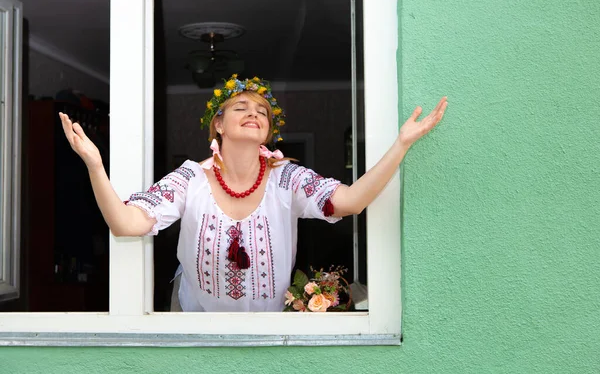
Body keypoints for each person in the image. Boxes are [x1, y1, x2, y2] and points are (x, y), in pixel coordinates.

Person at [59, 75, 447, 312]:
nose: (254, 113)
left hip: (268, 335)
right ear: (218, 125)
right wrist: (96, 165)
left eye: (262, 112)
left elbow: (351, 200)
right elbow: (126, 224)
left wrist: (401, 145)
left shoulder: (286, 178)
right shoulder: (189, 179)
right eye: (241, 106)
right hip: (195, 334)